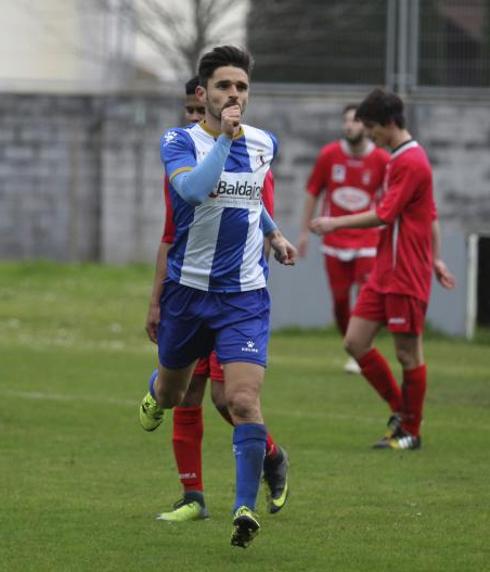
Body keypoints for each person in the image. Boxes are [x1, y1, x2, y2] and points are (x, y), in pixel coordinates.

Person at [139, 46, 296, 548]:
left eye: (242, 87)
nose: (234, 95)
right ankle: (155, 385)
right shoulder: (178, 140)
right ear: (203, 93)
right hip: (188, 293)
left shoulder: (264, 143)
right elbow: (194, 192)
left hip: (244, 296)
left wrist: (273, 234)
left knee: (243, 401)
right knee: (173, 394)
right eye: (225, 86)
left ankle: (243, 508)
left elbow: (247, 197)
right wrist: (224, 142)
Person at [310, 88, 455, 450]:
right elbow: (429, 214)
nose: (369, 133)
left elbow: (385, 214)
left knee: (408, 353)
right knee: (355, 341)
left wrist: (335, 223)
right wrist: (437, 257)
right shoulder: (396, 159)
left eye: (372, 126)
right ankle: (399, 410)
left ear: (389, 124)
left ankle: (412, 431)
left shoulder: (411, 161)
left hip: (406, 272)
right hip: (384, 269)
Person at [298, 104, 390, 374]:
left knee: (364, 298)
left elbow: (389, 201)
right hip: (334, 242)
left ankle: (361, 349)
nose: (349, 126)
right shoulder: (329, 155)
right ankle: (351, 344)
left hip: (368, 241)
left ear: (366, 125)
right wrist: (304, 232)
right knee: (340, 301)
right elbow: (313, 192)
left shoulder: (382, 160)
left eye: (355, 121)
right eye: (346, 121)